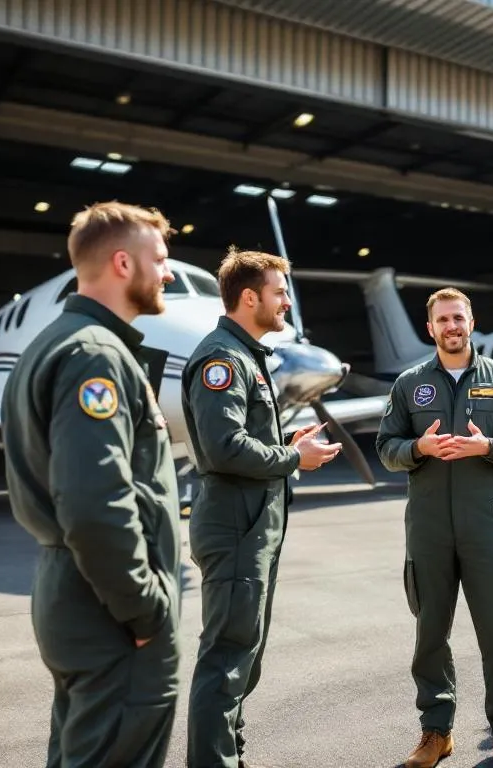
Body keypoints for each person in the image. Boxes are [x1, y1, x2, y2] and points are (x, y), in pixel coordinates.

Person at [1, 200, 183, 768]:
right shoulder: (94, 356)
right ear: (123, 265)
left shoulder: (61, 342)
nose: (169, 271)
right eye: (161, 258)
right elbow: (95, 503)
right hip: (109, 614)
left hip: (77, 597)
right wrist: (146, 610)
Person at [181, 247, 343, 768]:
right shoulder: (222, 361)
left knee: (242, 660)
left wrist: (284, 440)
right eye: (280, 293)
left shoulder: (247, 355)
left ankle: (230, 755)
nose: (287, 303)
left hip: (252, 530)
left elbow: (242, 440)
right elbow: (224, 447)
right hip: (235, 532)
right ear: (248, 297)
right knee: (227, 659)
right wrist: (296, 455)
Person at [374, 287, 493, 768]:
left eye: (459, 318)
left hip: (485, 525)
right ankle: (435, 733)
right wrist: (418, 450)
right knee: (430, 635)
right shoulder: (409, 385)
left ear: (472, 322)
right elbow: (387, 448)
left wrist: (488, 447)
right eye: (443, 320)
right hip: (428, 529)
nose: (452, 327)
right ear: (431, 328)